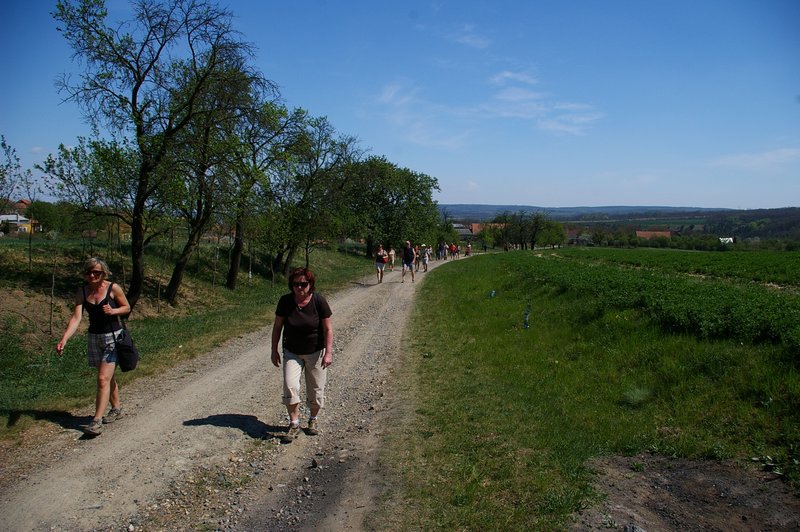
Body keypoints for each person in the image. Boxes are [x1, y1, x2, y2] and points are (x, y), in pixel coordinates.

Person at [56, 257, 131, 437]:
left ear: (103, 273)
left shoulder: (113, 288)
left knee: (102, 379)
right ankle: (117, 409)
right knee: (107, 377)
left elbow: (126, 307)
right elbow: (76, 317)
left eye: (96, 272)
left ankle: (96, 421)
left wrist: (114, 311)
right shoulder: (83, 291)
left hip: (113, 337)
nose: (92, 275)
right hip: (94, 338)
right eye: (89, 272)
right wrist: (64, 338)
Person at [271, 267, 333, 442]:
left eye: (303, 284)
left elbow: (328, 329)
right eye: (296, 284)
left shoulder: (319, 301)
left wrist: (328, 353)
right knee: (290, 386)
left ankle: (312, 420)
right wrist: (273, 350)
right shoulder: (285, 302)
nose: (299, 287)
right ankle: (294, 423)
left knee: (316, 391)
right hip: (292, 352)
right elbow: (277, 327)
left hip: (315, 352)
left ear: (310, 284)